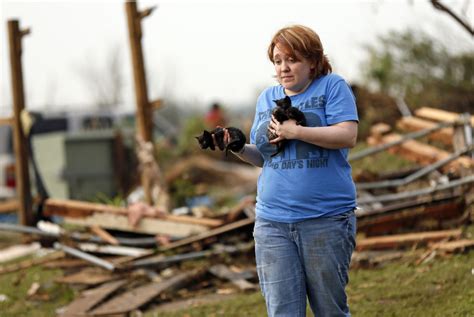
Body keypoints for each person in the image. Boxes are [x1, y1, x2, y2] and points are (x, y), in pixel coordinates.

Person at [210, 24, 358, 316]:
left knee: (329, 309)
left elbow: (347, 135)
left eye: (292, 59)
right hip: (272, 222)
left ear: (312, 61)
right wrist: (238, 146)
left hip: (324, 218)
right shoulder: (267, 98)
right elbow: (265, 157)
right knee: (282, 311)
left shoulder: (332, 86)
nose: (284, 68)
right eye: (278, 61)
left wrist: (296, 132)